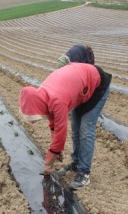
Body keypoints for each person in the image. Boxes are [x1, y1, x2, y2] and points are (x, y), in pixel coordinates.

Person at [19, 62, 112, 190]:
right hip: (81, 87)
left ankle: (84, 172)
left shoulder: (57, 100)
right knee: (75, 129)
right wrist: (56, 150)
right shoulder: (43, 94)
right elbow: (53, 122)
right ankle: (76, 163)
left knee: (85, 130)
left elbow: (61, 134)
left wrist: (48, 162)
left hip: (97, 84)